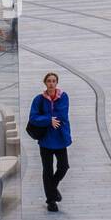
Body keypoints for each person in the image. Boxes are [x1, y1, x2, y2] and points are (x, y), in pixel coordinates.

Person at [28, 71, 71, 212]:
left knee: (63, 166)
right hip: (46, 139)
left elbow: (62, 114)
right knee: (47, 170)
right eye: (49, 81)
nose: (51, 83)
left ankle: (52, 188)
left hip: (59, 137)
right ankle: (51, 200)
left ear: (57, 83)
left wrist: (49, 118)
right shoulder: (38, 99)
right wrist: (48, 120)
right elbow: (33, 117)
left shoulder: (63, 97)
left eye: (54, 81)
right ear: (45, 83)